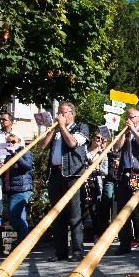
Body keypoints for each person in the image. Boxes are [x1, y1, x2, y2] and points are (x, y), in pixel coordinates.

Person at [40, 101, 89, 261]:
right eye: (58, 113)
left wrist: (61, 127)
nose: (59, 116)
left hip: (72, 175)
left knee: (74, 215)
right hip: (55, 175)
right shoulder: (56, 131)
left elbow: (73, 143)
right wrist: (53, 130)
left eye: (62, 113)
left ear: (71, 114)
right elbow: (43, 146)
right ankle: (60, 252)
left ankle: (77, 251)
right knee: (57, 215)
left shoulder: (80, 128)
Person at [112, 107, 139, 255]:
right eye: (127, 117)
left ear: (138, 119)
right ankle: (125, 245)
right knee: (123, 211)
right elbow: (116, 149)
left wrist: (134, 132)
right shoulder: (124, 132)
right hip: (124, 174)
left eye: (132, 117)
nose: (129, 120)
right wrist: (124, 135)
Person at [1, 133, 32, 246]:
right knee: (20, 218)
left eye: (13, 142)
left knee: (13, 217)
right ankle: (23, 245)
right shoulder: (8, 155)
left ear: (19, 141)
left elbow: (27, 166)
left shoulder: (24, 151)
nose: (10, 144)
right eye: (8, 142)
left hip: (21, 189)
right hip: (12, 188)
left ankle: (26, 241)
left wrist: (14, 154)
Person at [85, 129, 111, 238]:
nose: (99, 141)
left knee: (95, 210)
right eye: (97, 138)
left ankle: (97, 235)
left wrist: (96, 168)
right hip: (84, 183)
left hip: (95, 183)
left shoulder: (103, 153)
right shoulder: (84, 151)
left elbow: (105, 171)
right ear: (92, 138)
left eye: (101, 139)